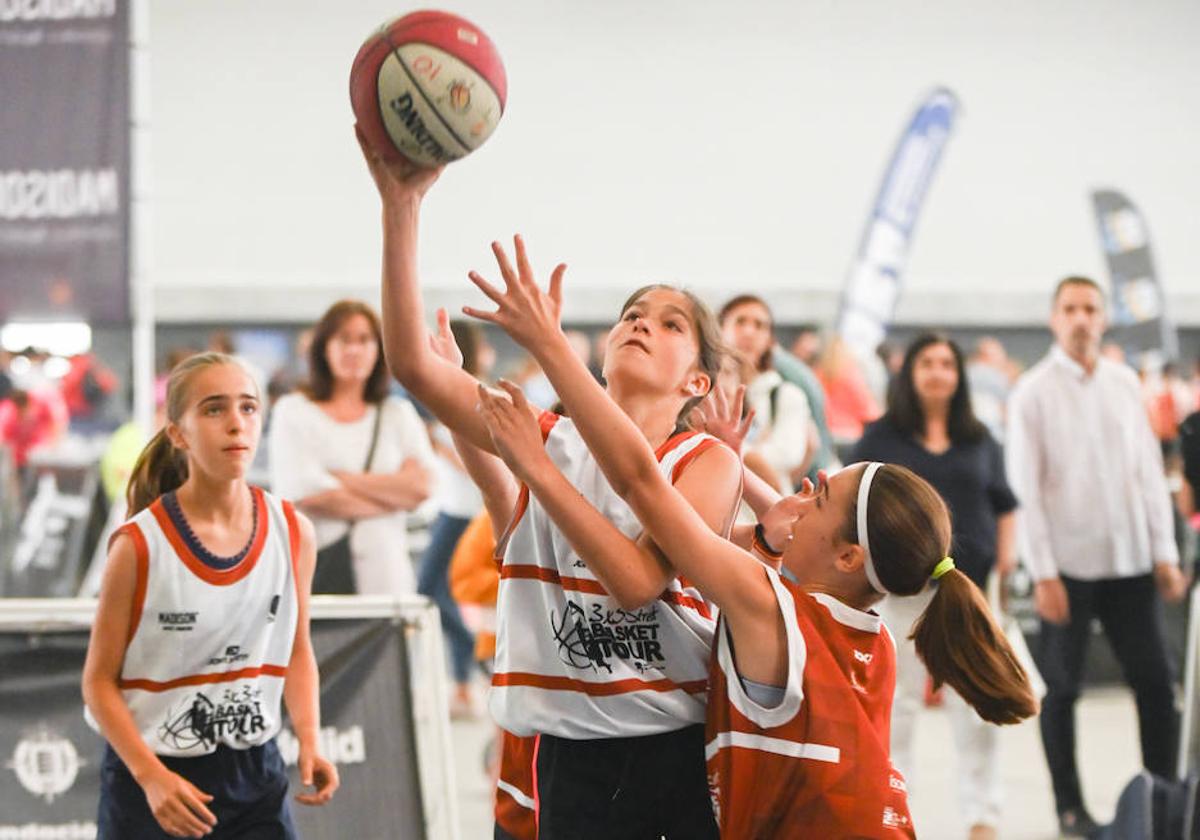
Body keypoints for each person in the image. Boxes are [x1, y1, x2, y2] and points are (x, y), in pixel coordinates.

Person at [461, 248, 1037, 838]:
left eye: (817, 495)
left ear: (847, 557)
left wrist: (550, 352)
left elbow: (643, 488)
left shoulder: (766, 607)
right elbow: (747, 527)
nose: (800, 491)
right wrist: (735, 470)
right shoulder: (872, 640)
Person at [356, 132, 742, 838]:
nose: (641, 324)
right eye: (631, 314)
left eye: (669, 322)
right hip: (565, 753)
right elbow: (411, 364)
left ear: (698, 381)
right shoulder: (548, 432)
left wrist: (535, 462)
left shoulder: (706, 460)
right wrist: (401, 204)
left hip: (668, 746)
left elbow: (633, 583)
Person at [80, 352, 337, 839]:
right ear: (178, 433)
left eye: (248, 407)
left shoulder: (293, 531)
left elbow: (296, 648)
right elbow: (97, 683)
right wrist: (150, 776)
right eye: (214, 409)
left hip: (255, 775)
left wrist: (309, 739)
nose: (236, 424)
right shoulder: (139, 546)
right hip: (153, 773)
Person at [1006, 276, 1189, 838]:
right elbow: (1026, 490)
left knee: (1157, 683)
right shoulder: (1032, 392)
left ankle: (1161, 795)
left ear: (1104, 318)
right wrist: (1043, 572)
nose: (1082, 318)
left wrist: (1165, 553)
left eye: (1091, 308)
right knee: (1062, 691)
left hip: (1131, 559)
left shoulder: (1123, 384)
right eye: (1070, 309)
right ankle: (1070, 809)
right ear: (1054, 319)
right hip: (1067, 567)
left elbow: (1148, 476)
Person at [852, 332, 1019, 840]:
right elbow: (854, 506)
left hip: (965, 592)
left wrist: (1006, 564)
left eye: (948, 363)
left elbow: (1005, 503)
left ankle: (982, 817)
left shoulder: (980, 439)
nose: (938, 371)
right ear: (910, 373)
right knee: (894, 706)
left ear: (959, 375)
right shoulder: (880, 438)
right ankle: (894, 812)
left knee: (974, 704)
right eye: (927, 362)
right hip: (896, 594)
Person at [268, 300, 434, 595]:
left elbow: (421, 488)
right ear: (323, 348)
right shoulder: (293, 410)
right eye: (344, 339)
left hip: (388, 582)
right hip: (320, 575)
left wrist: (342, 479)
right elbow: (307, 493)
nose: (354, 350)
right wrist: (392, 495)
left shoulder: (397, 413)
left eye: (364, 340)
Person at [718, 294, 816, 492]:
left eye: (759, 325)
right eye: (740, 322)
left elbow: (787, 454)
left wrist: (726, 445)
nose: (748, 332)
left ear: (770, 338)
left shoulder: (786, 394)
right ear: (719, 328)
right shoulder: (706, 389)